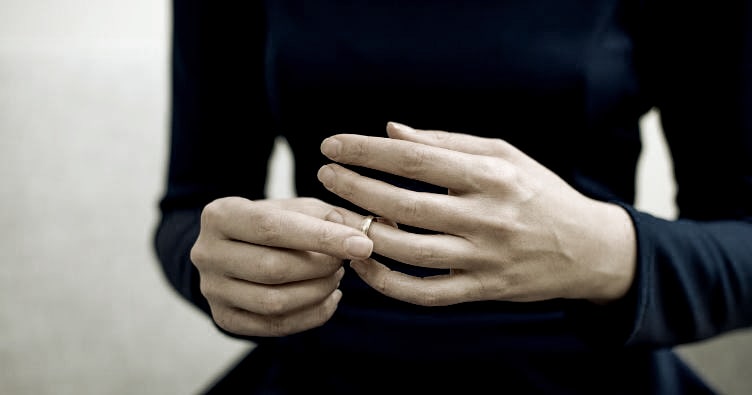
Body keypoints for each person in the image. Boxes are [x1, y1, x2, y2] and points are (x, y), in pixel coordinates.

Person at [153, 1, 752, 393]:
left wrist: (609, 252)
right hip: (322, 365)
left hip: (589, 372)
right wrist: (229, 269)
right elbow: (192, 208)